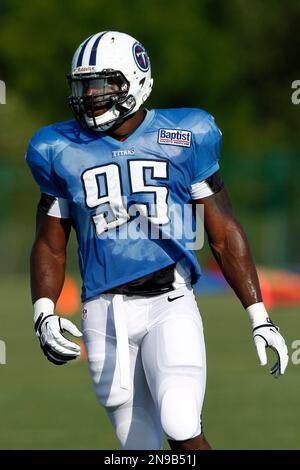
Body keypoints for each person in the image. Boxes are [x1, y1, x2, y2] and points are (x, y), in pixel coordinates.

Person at [26, 31, 289, 451]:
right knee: (139, 446)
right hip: (102, 310)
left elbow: (222, 231)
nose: (89, 96)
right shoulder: (58, 147)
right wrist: (43, 311)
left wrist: (259, 315)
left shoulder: (186, 133)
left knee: (181, 421)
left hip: (171, 300)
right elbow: (51, 240)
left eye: (101, 84)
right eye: (83, 86)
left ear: (134, 79)